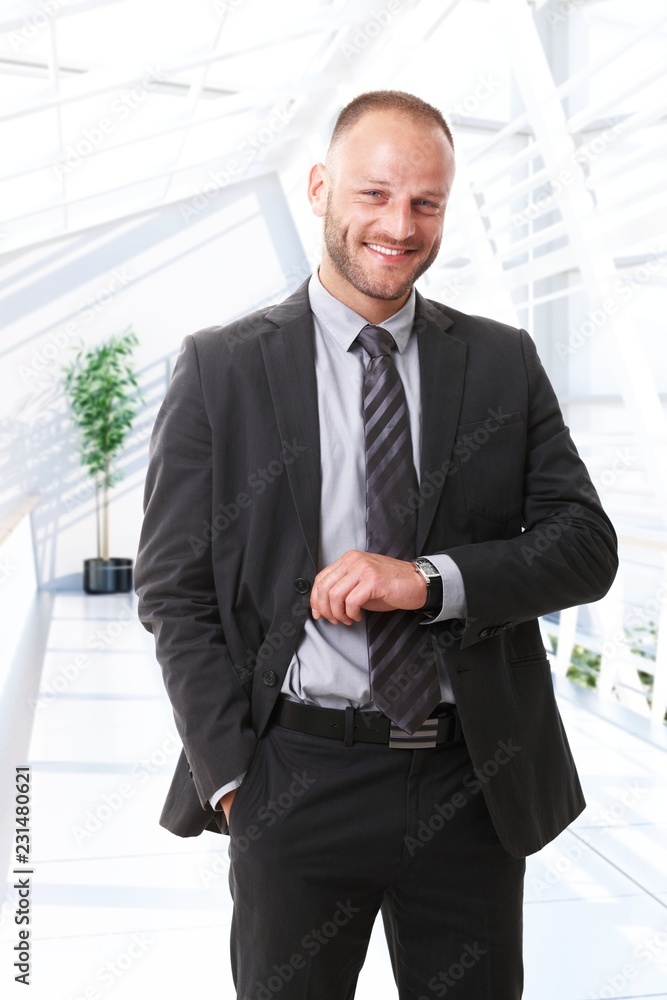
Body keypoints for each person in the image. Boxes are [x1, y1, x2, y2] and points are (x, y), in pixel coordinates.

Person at [135, 90, 618, 1000]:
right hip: (295, 780)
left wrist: (426, 580)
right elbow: (173, 591)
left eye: (425, 202)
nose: (399, 225)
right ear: (321, 187)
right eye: (375, 194)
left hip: (468, 778)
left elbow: (584, 544)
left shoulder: (500, 360)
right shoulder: (222, 368)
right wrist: (237, 782)